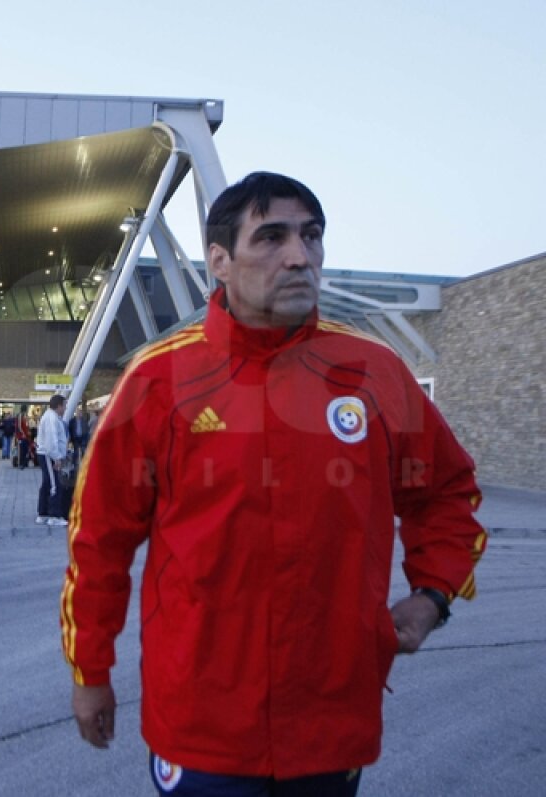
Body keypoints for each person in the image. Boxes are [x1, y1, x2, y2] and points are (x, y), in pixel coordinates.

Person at [61, 172, 487, 796]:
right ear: (220, 262)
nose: (300, 256)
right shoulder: (157, 382)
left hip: (330, 721)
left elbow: (449, 493)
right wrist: (89, 670)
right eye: (272, 237)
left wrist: (431, 600)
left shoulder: (373, 373)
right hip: (201, 723)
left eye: (311, 237)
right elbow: (99, 541)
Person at [35, 394, 70, 526]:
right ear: (59, 405)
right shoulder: (51, 418)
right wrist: (56, 458)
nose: (66, 408)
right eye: (65, 405)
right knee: (55, 485)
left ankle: (43, 513)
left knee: (47, 483)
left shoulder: (52, 417)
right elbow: (51, 440)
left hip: (47, 454)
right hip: (49, 455)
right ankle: (54, 515)